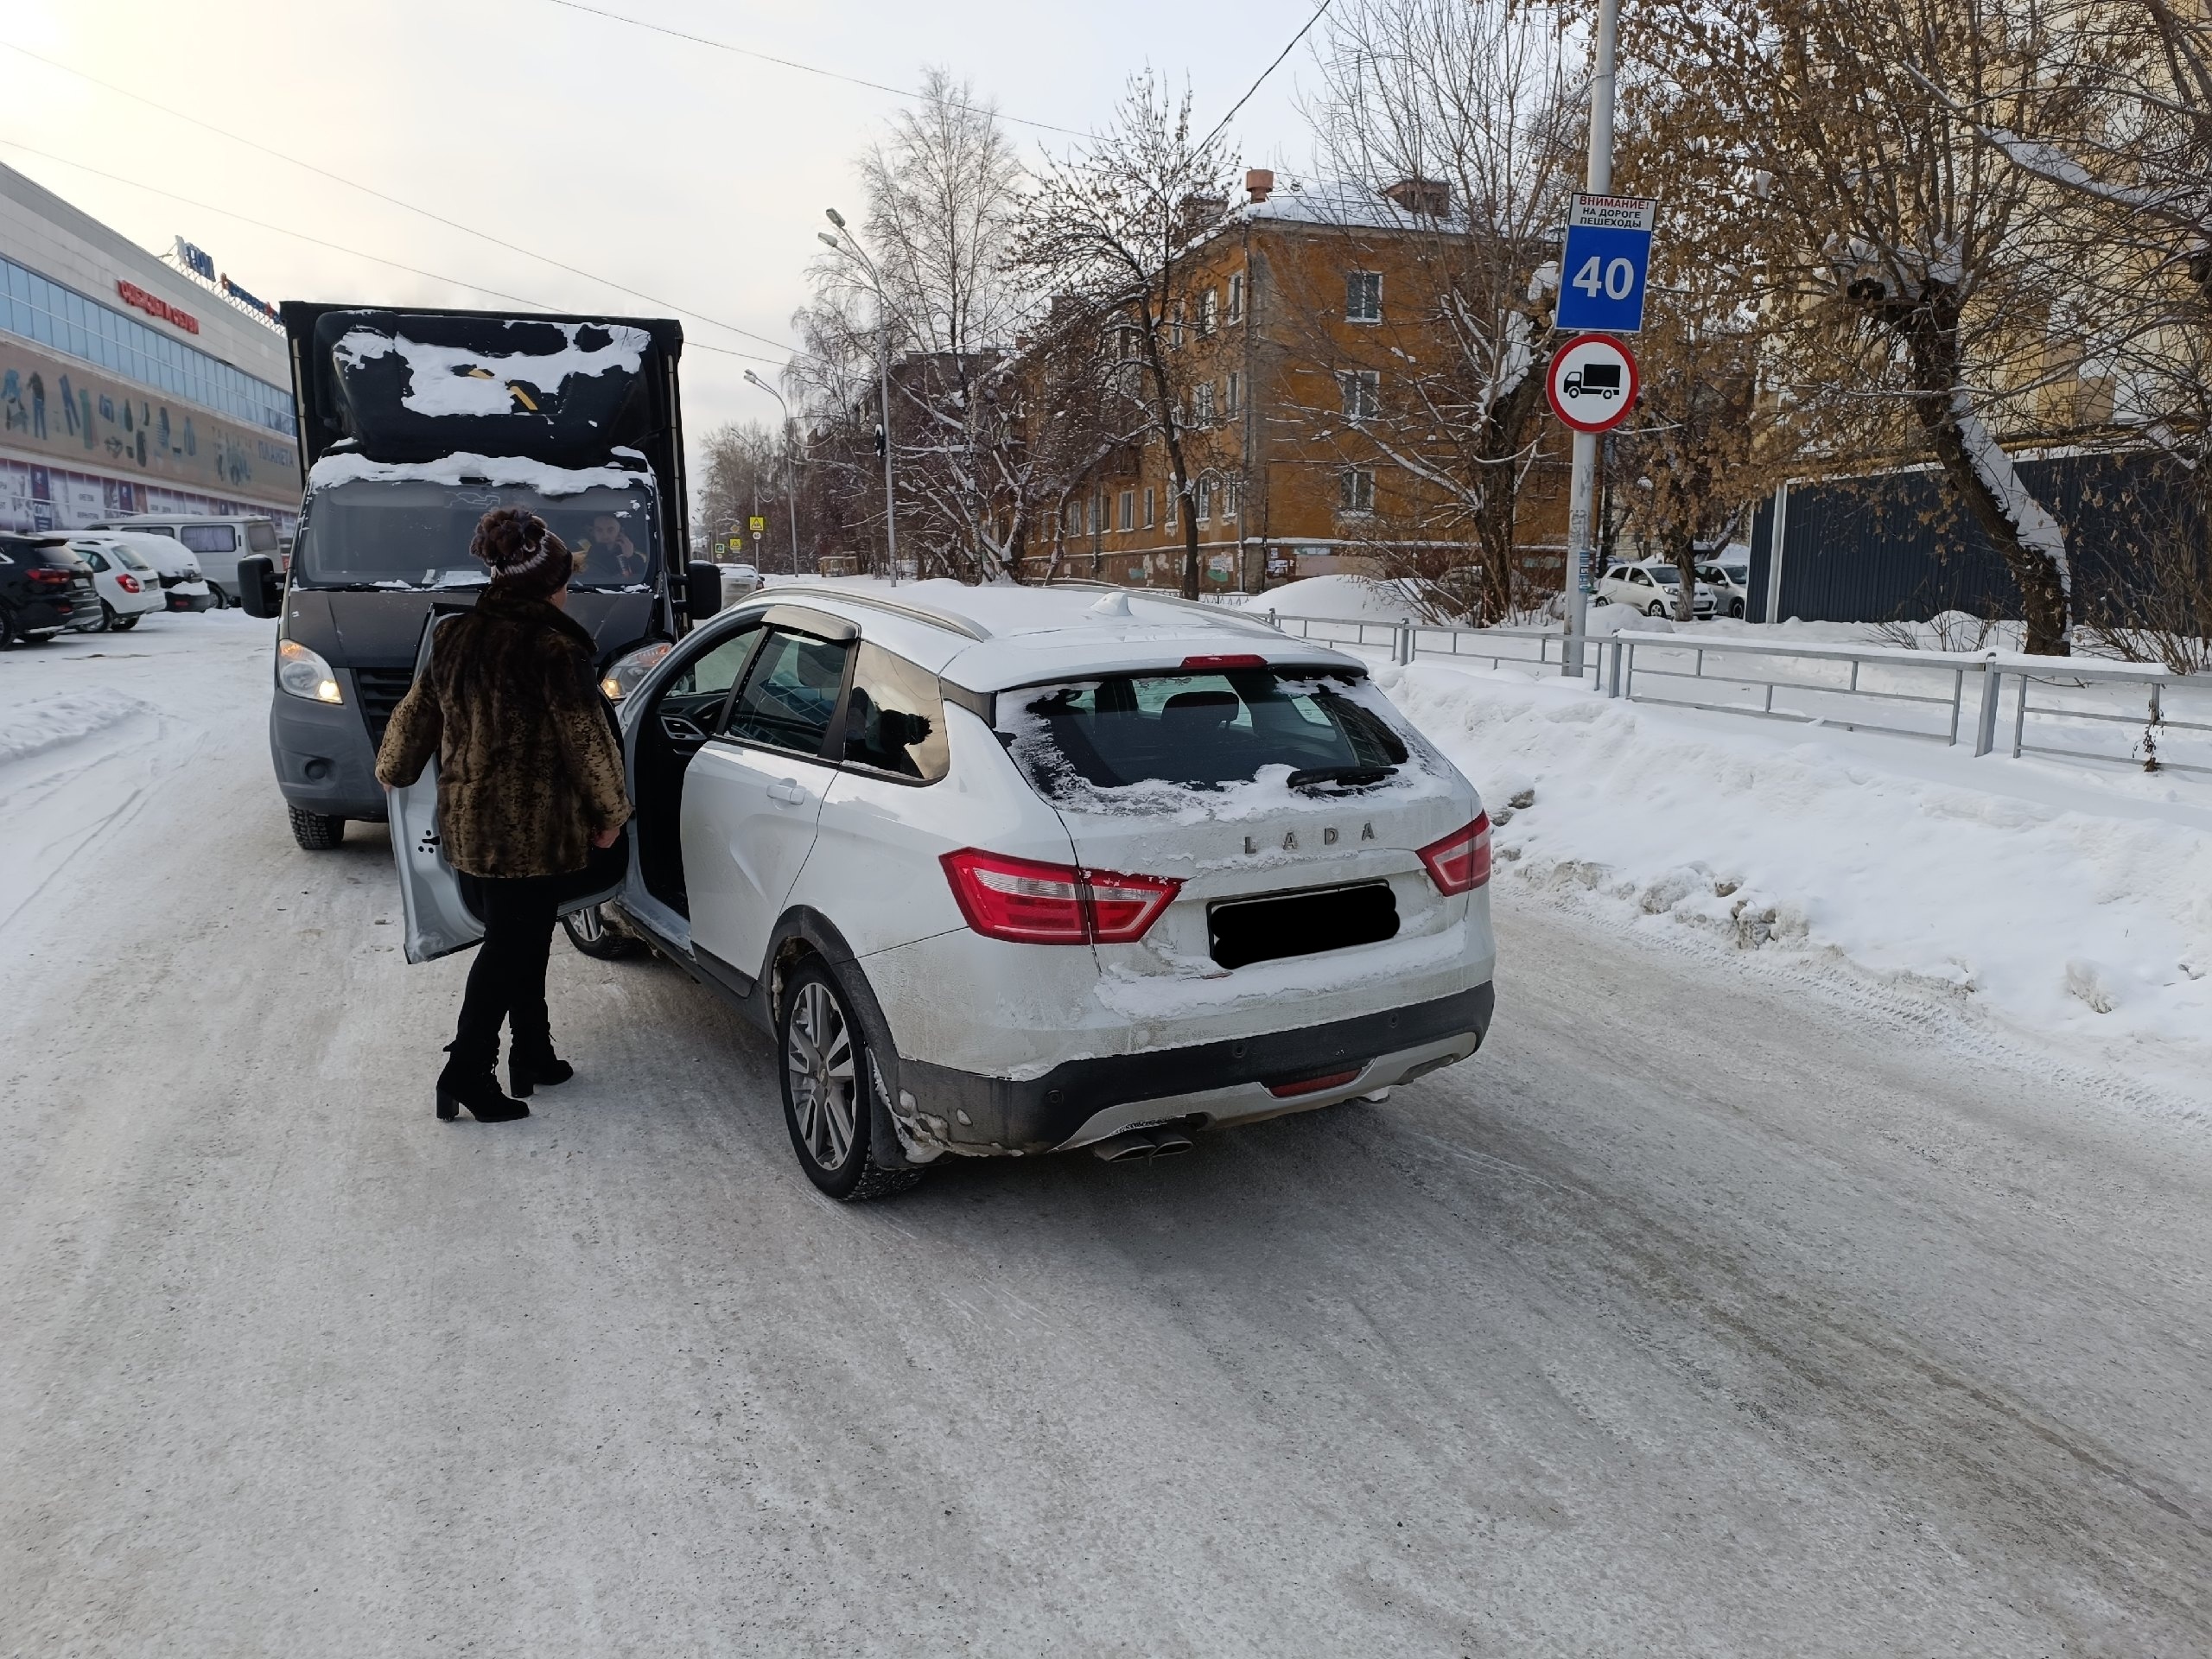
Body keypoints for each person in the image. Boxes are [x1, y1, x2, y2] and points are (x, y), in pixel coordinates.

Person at [376, 507, 632, 1123]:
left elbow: (415, 717)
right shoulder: (552, 648)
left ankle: (533, 1052)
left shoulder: (455, 637)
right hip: (534, 830)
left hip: (472, 825)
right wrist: (611, 814)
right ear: (545, 587)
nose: (569, 590)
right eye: (564, 580)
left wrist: (394, 773)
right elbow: (586, 740)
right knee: (511, 949)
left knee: (525, 937)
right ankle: (467, 1068)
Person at [575, 512, 649, 585]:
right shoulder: (581, 553)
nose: (605, 535)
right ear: (593, 532)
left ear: (621, 531)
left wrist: (631, 557)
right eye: (599, 530)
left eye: (610, 530)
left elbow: (643, 582)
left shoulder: (639, 557)